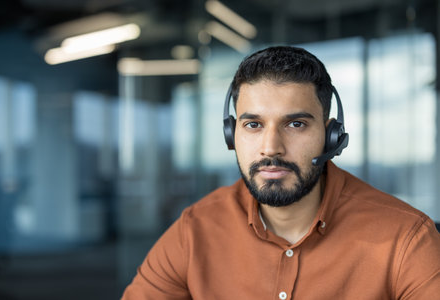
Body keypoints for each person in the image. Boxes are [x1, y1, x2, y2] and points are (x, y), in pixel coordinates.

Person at [121, 46, 440, 300]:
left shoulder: (407, 239)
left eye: (296, 124)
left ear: (331, 136)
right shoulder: (195, 231)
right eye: (253, 125)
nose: (271, 147)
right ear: (232, 134)